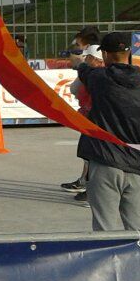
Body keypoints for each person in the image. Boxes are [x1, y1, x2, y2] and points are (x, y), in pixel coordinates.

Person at [73, 32, 140, 231]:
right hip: (136, 164)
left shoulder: (101, 79)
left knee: (105, 229)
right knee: (136, 229)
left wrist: (82, 63)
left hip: (106, 161)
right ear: (129, 53)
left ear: (104, 54)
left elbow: (85, 73)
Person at [60, 26, 102, 197]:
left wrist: (80, 65)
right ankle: (85, 181)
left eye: (78, 45)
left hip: (94, 114)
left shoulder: (93, 68)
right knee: (89, 151)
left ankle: (90, 186)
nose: (77, 49)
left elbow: (76, 89)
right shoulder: (91, 66)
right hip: (90, 112)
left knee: (93, 151)